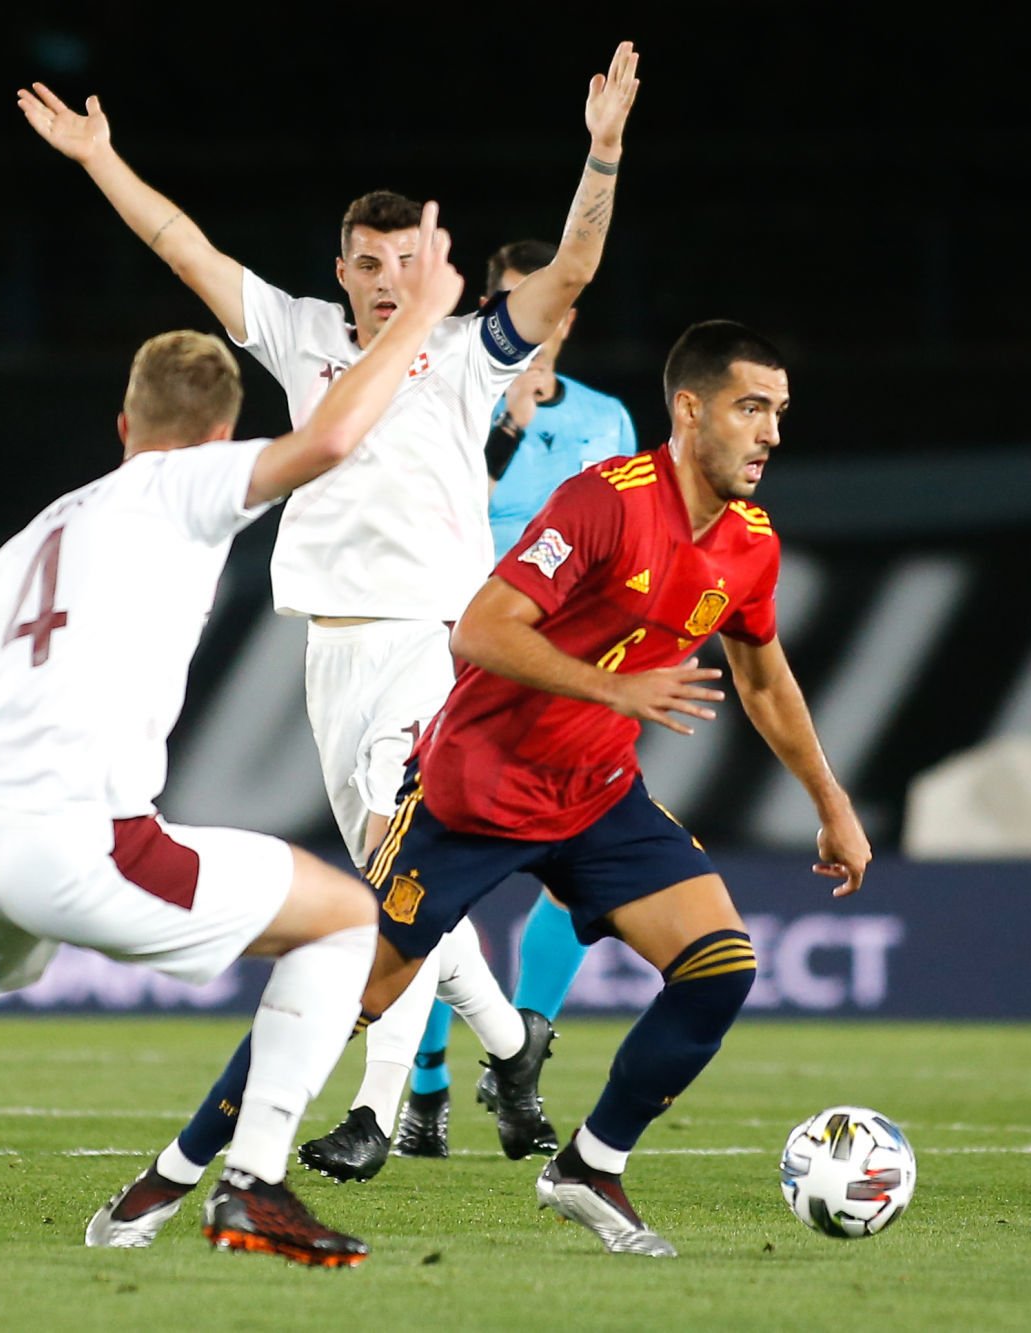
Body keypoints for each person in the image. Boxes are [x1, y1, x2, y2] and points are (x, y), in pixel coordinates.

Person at [0, 207, 468, 1277]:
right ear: (215, 436)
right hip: (81, 841)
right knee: (346, 917)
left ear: (121, 424)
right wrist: (422, 310)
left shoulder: (44, 526)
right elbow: (332, 438)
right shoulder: (186, 482)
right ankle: (250, 1183)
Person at [95, 319, 872, 1259]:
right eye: (753, 408)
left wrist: (832, 805)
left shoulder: (750, 543)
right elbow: (481, 629)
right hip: (473, 793)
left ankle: (588, 1166)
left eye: (780, 414)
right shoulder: (603, 504)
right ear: (690, 408)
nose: (770, 434)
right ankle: (165, 1183)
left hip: (595, 795)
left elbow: (763, 677)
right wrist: (616, 689)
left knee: (719, 967)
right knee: (344, 999)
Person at [18, 43, 641, 1184]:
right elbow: (182, 247)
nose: (388, 278)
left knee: (394, 885)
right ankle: (509, 1049)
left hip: (426, 645)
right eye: (369, 262)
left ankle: (374, 1110)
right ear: (343, 269)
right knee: (406, 882)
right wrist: (101, 158)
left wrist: (600, 152)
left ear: (426, 263)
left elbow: (570, 274)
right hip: (327, 649)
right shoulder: (302, 334)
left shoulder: (461, 351)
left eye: (406, 259)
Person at [392, 238, 639, 1163]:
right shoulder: (453, 398)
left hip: (566, 679)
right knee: (431, 874)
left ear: (566, 314)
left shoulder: (610, 420)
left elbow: (626, 543)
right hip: (458, 663)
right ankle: (423, 1086)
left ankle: (520, 1046)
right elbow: (434, 511)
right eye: (508, 302)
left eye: (544, 304)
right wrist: (505, 420)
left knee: (579, 875)